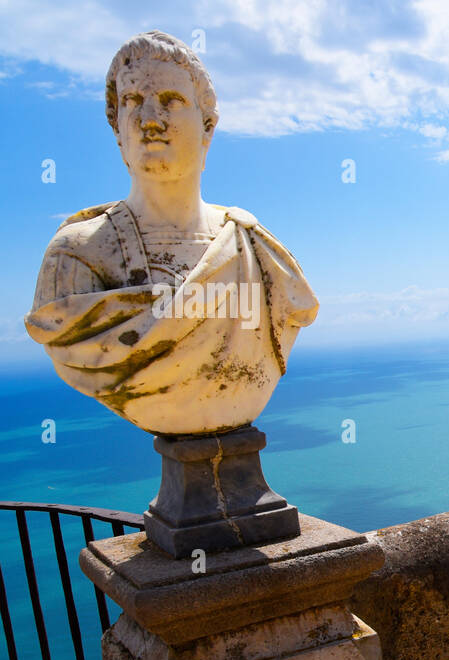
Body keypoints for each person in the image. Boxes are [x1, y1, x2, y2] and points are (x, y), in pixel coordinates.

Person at [25, 30, 317, 436]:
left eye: (170, 101)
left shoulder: (259, 251)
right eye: (132, 102)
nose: (149, 120)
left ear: (208, 128)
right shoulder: (76, 256)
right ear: (117, 130)